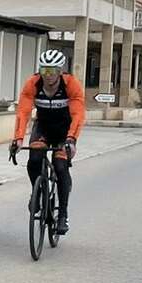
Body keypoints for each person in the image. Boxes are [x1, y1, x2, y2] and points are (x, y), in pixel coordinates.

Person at [9, 49, 86, 236]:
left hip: (64, 131)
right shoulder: (33, 84)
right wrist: (18, 138)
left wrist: (71, 139)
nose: (48, 75)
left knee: (60, 167)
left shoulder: (71, 85)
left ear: (60, 71)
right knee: (34, 160)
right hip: (43, 127)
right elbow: (23, 113)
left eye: (52, 71)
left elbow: (78, 115)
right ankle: (38, 193)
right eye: (44, 70)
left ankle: (63, 214)